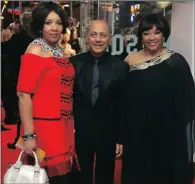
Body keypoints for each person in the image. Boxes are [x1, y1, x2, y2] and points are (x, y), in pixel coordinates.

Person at [121, 13, 195, 184]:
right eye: (147, 33)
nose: (152, 38)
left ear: (164, 35)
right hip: (137, 134)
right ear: (141, 36)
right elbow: (122, 100)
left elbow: (189, 99)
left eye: (157, 32)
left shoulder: (176, 62)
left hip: (168, 135)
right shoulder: (130, 61)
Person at [16, 2, 79, 183]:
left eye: (58, 23)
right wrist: (29, 136)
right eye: (48, 22)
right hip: (44, 130)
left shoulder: (59, 50)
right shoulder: (35, 50)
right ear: (39, 26)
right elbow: (23, 95)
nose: (54, 28)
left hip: (64, 127)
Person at [69, 20, 129, 184]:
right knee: (80, 177)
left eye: (103, 35)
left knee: (106, 177)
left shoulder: (121, 66)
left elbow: (124, 105)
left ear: (110, 39)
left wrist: (121, 138)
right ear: (86, 38)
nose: (98, 39)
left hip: (108, 133)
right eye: (93, 34)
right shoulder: (73, 63)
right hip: (80, 133)